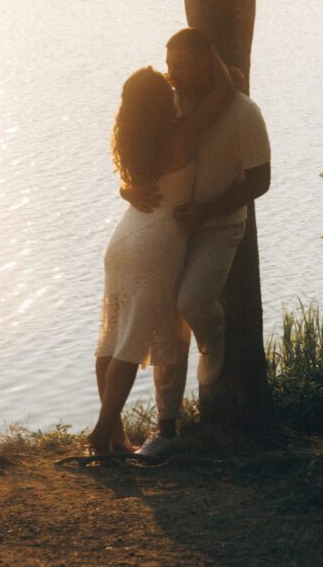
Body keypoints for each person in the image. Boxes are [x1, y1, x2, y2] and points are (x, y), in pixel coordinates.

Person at [124, 28, 271, 459]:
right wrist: (127, 190)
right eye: (169, 66)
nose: (172, 75)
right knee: (164, 325)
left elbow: (260, 180)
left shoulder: (244, 112)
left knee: (191, 302)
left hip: (218, 228)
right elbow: (139, 157)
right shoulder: (165, 106)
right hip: (167, 227)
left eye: (182, 66)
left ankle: (214, 331)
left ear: (208, 63)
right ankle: (167, 429)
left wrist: (208, 211)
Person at [87, 47, 235, 456]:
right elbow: (227, 91)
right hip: (156, 247)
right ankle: (101, 432)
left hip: (122, 241)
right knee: (131, 347)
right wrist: (214, 62)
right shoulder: (181, 137)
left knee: (111, 341)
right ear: (160, 101)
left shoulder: (134, 142)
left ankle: (116, 436)